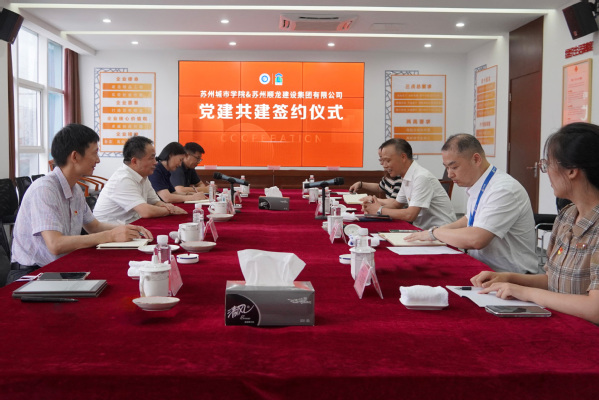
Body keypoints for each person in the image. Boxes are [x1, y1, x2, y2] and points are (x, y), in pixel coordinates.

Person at [471, 122, 599, 324]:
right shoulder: (567, 216)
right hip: (561, 323)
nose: (546, 172)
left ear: (572, 171)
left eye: (547, 164)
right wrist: (508, 278)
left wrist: (525, 292)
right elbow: (553, 281)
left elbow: (595, 308)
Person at [8, 124, 153, 284]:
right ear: (75, 156)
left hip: (59, 268)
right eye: (95, 153)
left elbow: (94, 227)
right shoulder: (45, 189)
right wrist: (110, 236)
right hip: (32, 274)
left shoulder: (75, 189)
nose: (98, 160)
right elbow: (55, 244)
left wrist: (129, 229)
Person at [405, 133, 537, 274]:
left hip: (510, 276)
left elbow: (476, 239)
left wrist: (435, 233)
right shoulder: (479, 183)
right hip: (484, 268)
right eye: (447, 168)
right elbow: (469, 218)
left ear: (476, 159)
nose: (449, 174)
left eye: (454, 167)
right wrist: (435, 231)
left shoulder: (503, 189)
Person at [361, 138, 455, 229]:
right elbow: (396, 205)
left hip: (442, 232)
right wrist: (372, 207)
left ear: (403, 157)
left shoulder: (421, 177)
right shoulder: (407, 176)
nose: (385, 165)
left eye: (388, 160)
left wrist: (379, 210)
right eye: (383, 161)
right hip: (424, 230)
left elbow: (410, 215)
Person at [93, 136, 187, 224]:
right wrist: (170, 210)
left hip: (130, 224)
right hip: (109, 230)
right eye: (151, 158)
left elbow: (155, 202)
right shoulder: (123, 179)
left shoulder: (143, 176)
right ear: (134, 161)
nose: (155, 162)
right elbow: (146, 211)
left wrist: (167, 206)